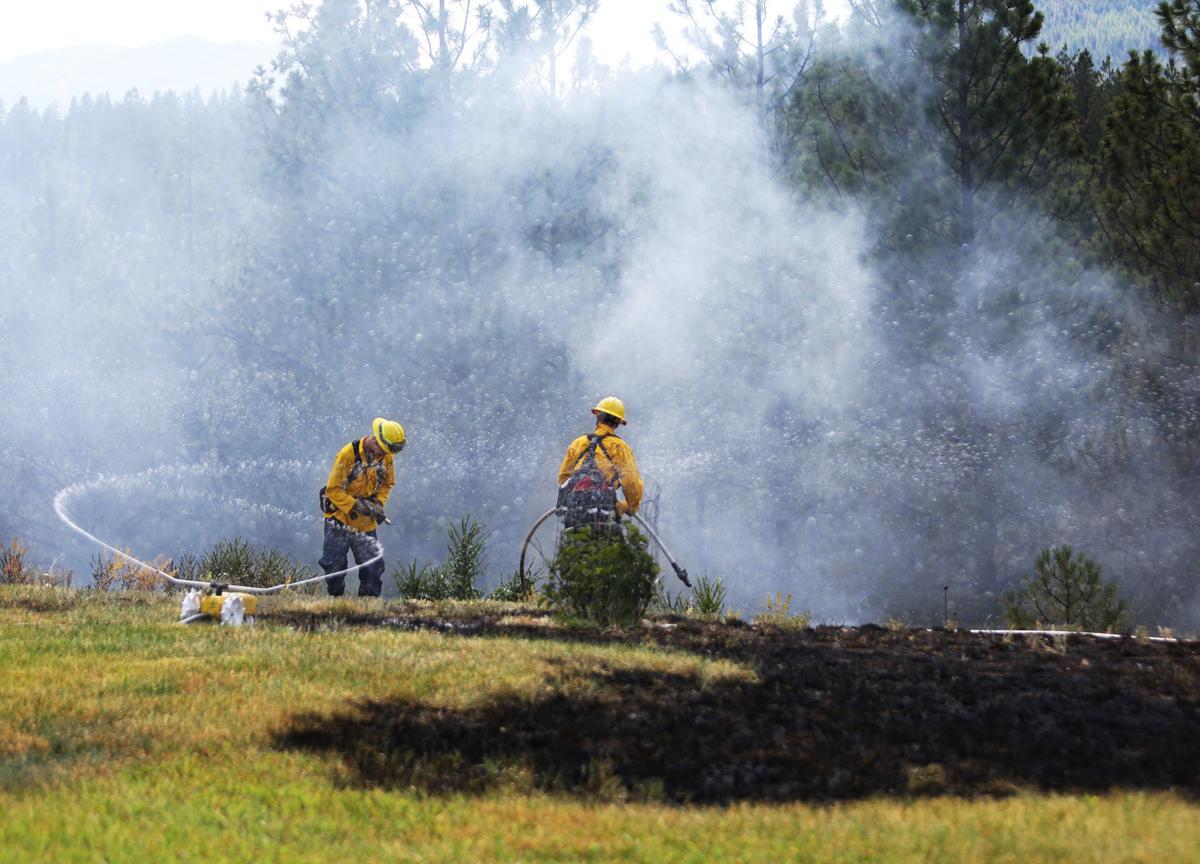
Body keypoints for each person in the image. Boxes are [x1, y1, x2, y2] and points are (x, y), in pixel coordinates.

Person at [318, 417, 405, 597]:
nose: (387, 454)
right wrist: (356, 505)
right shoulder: (348, 455)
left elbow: (386, 484)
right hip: (339, 519)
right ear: (377, 441)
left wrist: (379, 504)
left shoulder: (386, 457)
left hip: (366, 523)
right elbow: (333, 490)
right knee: (334, 566)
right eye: (386, 449)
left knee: (372, 568)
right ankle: (336, 603)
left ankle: (368, 605)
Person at [556, 396, 643, 529]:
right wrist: (629, 507)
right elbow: (631, 482)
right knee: (610, 547)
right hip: (604, 515)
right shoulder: (619, 447)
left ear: (597, 415)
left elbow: (563, 478)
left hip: (575, 515)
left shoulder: (578, 443)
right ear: (618, 422)